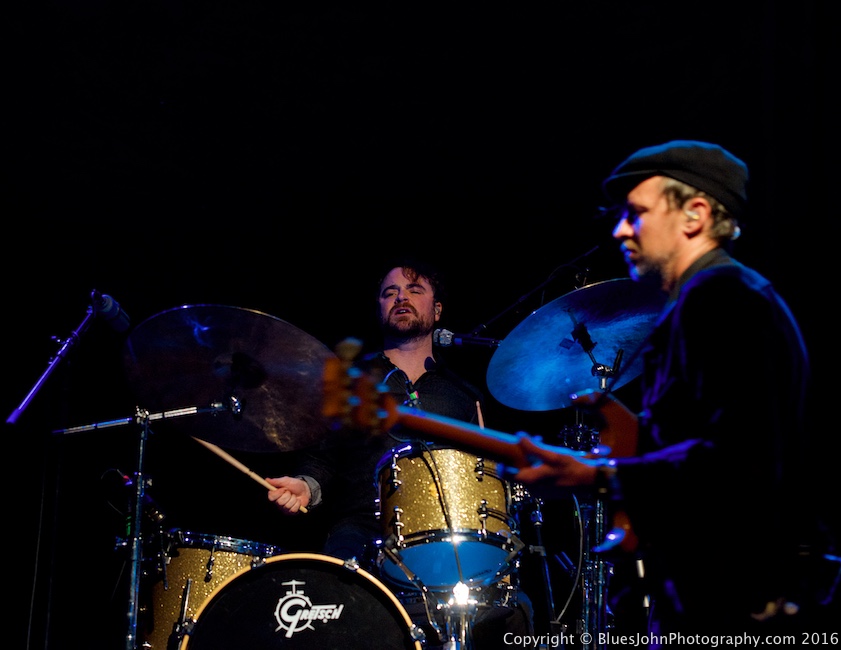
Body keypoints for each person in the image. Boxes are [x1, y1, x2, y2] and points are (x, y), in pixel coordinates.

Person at [511, 140, 820, 637]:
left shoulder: (723, 299)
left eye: (636, 213)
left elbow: (737, 462)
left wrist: (600, 477)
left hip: (741, 598)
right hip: (709, 588)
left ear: (694, 214)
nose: (620, 230)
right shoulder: (700, 303)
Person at [266, 257, 534, 648]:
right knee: (336, 594)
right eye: (390, 293)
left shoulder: (464, 396)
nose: (400, 298)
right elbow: (320, 461)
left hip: (451, 535)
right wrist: (305, 486)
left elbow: (489, 478)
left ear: (437, 310)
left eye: (414, 290)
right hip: (363, 527)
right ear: (379, 308)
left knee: (509, 611)